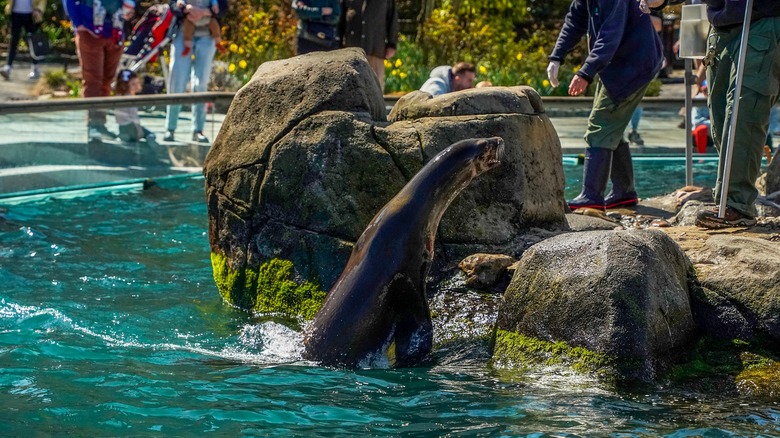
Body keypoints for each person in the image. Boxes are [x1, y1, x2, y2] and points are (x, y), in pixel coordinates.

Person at [547, 0, 667, 211]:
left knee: (599, 127)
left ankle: (591, 196)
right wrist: (557, 56)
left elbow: (610, 34)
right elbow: (575, 20)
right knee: (612, 127)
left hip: (633, 64)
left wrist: (586, 71)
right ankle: (624, 192)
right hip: (616, 64)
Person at [694, 0, 780, 228]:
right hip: (721, 27)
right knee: (721, 119)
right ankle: (726, 200)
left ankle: (736, 204)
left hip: (761, 20)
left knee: (743, 112)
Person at [64, 0, 135, 143]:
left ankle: (100, 123)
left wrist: (130, 8)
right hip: (90, 30)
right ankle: (94, 125)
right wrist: (79, 23)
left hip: (115, 31)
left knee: (107, 80)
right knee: (93, 79)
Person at [164, 0, 218, 143]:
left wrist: (206, 12)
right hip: (183, 32)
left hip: (207, 34)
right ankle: (170, 128)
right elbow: (172, 5)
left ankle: (198, 130)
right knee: (177, 82)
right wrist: (187, 9)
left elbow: (223, 7)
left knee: (200, 84)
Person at [339, 0, 398, 92]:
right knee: (351, 90)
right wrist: (339, 43)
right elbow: (341, 19)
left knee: (375, 89)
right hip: (352, 50)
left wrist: (392, 44)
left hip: (375, 48)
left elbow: (392, 18)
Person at [1, 0, 45, 80]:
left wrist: (39, 10)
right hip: (15, 14)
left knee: (32, 42)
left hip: (31, 15)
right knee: (13, 41)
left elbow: (42, 1)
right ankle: (8, 67)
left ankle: (35, 67)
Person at [114, 69, 158, 145]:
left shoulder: (121, 96)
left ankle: (126, 136)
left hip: (124, 127)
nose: (136, 86)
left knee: (148, 134)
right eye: (133, 84)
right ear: (124, 85)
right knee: (150, 135)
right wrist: (138, 130)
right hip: (130, 125)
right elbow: (131, 117)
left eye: (137, 83)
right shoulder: (127, 98)